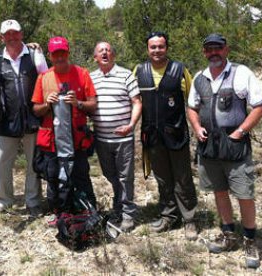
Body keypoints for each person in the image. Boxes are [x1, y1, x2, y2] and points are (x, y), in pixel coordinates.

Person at [187, 33, 262, 268]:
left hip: (235, 146)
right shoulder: (199, 77)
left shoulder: (242, 73)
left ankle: (250, 240)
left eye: (218, 48)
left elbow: (259, 108)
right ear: (204, 52)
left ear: (226, 49)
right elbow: (192, 107)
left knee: (244, 194)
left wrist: (240, 131)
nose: (214, 52)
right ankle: (228, 235)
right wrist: (197, 126)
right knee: (219, 192)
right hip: (209, 147)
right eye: (209, 49)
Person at [135, 32, 198, 240]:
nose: (156, 51)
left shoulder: (180, 70)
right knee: (162, 179)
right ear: (147, 49)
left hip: (176, 134)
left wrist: (199, 126)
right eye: (153, 47)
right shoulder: (139, 71)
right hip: (152, 136)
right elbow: (133, 102)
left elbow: (193, 102)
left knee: (183, 178)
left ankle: (189, 219)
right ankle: (169, 216)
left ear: (167, 48)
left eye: (160, 46)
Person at [0, 20, 48, 217]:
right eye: (8, 34)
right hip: (5, 119)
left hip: (32, 117)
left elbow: (45, 79)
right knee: (1, 161)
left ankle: (33, 201)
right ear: (1, 37)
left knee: (33, 162)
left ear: (21, 34)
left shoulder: (35, 54)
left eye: (15, 33)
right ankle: (3, 201)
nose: (12, 37)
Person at [32, 36, 97, 218]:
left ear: (68, 53)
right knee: (53, 177)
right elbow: (36, 110)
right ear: (50, 56)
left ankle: (86, 210)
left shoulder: (82, 73)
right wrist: (46, 105)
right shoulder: (43, 77)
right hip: (52, 141)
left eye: (63, 53)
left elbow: (93, 104)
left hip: (77, 139)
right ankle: (58, 212)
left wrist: (78, 104)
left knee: (81, 176)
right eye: (55, 54)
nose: (60, 58)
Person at [90, 42, 142, 232]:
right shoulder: (91, 77)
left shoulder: (126, 74)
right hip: (101, 138)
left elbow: (136, 102)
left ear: (114, 55)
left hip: (123, 139)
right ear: (95, 57)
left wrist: (131, 125)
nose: (105, 53)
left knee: (125, 176)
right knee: (110, 174)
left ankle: (127, 213)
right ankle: (119, 204)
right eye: (100, 51)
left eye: (108, 50)